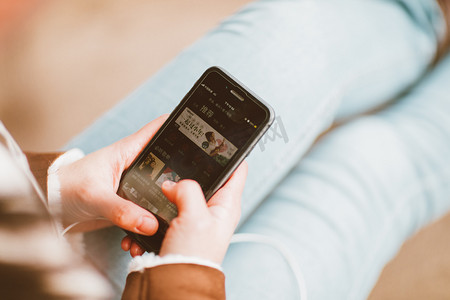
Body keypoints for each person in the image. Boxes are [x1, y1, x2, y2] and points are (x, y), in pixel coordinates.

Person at [2, 0, 450, 299]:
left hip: (30, 240)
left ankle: (416, 15)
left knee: (289, 34)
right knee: (374, 166)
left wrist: (55, 186)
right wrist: (185, 271)